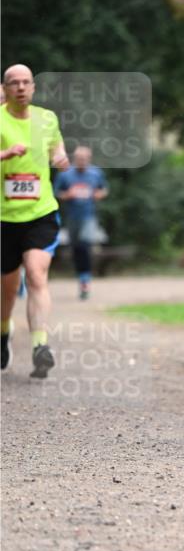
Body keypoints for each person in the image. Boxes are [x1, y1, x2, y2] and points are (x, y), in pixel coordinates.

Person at [1, 64, 69, 376]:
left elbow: (57, 146)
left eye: (25, 82)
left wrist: (60, 157)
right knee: (6, 290)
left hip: (40, 213)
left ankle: (41, 346)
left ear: (33, 87)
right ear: (5, 88)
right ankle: (3, 335)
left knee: (36, 275)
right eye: (13, 82)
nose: (20, 87)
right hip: (4, 217)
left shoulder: (47, 118)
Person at [55, 145, 108, 299]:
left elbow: (103, 189)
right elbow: (56, 193)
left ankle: (85, 279)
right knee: (77, 248)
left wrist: (99, 194)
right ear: (74, 159)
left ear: (89, 159)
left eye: (84, 159)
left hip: (89, 216)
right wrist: (67, 195)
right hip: (72, 217)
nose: (82, 162)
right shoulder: (65, 175)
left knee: (85, 245)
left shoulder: (96, 173)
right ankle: (82, 277)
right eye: (79, 159)